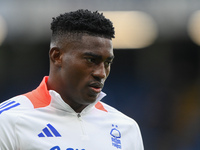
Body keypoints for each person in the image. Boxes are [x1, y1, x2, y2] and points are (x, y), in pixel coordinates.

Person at [0, 9, 144, 150]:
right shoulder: (8, 120)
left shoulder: (126, 128)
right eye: (91, 60)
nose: (101, 73)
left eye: (107, 63)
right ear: (57, 56)